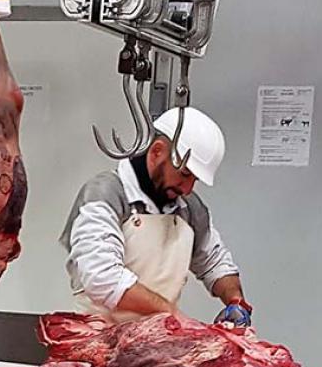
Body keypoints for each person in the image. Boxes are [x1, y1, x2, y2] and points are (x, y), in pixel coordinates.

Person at [60, 106, 251, 325]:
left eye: (194, 180)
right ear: (157, 152)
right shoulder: (104, 194)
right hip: (98, 340)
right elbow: (103, 279)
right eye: (185, 174)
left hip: (158, 340)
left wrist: (235, 301)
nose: (187, 188)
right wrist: (172, 313)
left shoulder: (189, 208)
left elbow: (214, 263)